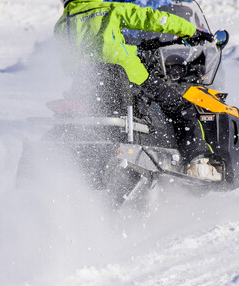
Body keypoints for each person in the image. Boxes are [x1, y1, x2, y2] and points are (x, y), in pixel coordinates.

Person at [54, 0, 216, 179]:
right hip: (131, 78)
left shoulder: (62, 25)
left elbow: (67, 67)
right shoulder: (110, 10)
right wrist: (191, 31)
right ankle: (197, 164)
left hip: (87, 88)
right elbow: (153, 18)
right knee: (181, 108)